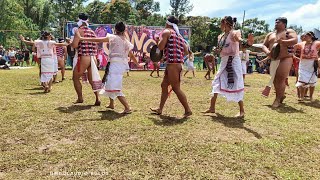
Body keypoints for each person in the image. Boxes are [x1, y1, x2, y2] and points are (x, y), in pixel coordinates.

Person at [78, 22, 142, 114]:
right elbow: (131, 55)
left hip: (115, 65)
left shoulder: (113, 37)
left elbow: (98, 40)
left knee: (114, 86)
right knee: (110, 83)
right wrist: (138, 64)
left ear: (115, 29)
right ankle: (111, 104)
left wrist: (82, 38)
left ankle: (127, 107)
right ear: (124, 30)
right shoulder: (125, 41)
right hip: (119, 65)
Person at [203, 16, 254, 118]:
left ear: (225, 23)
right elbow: (220, 49)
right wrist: (215, 51)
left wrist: (247, 43)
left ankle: (242, 110)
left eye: (221, 23)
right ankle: (212, 107)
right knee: (217, 82)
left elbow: (240, 40)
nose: (220, 25)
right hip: (224, 61)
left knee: (236, 84)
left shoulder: (234, 33)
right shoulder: (221, 36)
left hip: (233, 62)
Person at [150, 16, 192, 117]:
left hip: (173, 65)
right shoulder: (179, 36)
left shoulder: (166, 32)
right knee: (164, 85)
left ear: (168, 23)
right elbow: (186, 52)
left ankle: (188, 110)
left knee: (176, 88)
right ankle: (160, 109)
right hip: (175, 64)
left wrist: (158, 40)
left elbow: (160, 47)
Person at [261, 17, 298, 108]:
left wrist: (283, 42)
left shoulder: (289, 32)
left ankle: (277, 99)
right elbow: (263, 45)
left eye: (278, 22)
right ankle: (281, 95)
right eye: (275, 22)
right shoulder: (270, 34)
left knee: (281, 78)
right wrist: (267, 52)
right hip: (273, 59)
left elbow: (294, 40)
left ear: (284, 24)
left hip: (285, 58)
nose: (276, 23)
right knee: (275, 79)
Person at [70, 13, 102, 105]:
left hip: (83, 56)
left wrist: (70, 43)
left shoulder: (79, 31)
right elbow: (96, 45)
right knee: (92, 79)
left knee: (75, 78)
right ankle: (97, 98)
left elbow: (75, 45)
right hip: (92, 57)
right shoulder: (92, 31)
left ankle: (80, 98)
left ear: (79, 20)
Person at [293, 31, 320, 101]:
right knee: (301, 80)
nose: (304, 37)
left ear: (311, 37)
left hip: (312, 64)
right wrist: (293, 54)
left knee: (312, 81)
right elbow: (295, 46)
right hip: (303, 64)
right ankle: (301, 97)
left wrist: (318, 58)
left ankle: (311, 96)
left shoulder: (316, 43)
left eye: (306, 36)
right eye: (304, 36)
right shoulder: (302, 43)